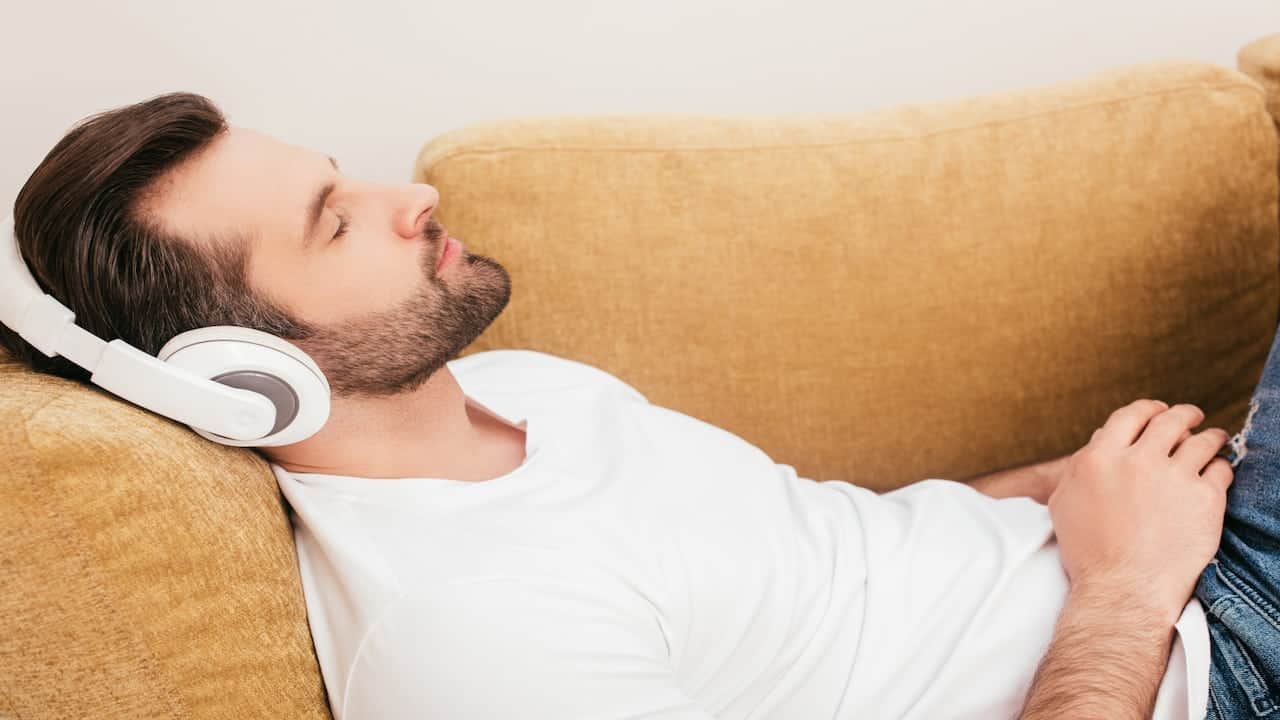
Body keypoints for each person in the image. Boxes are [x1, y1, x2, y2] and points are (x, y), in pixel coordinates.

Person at [0, 91, 1266, 720]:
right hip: (1202, 668)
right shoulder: (467, 641)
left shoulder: (512, 389)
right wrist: (1120, 588)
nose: (408, 199)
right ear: (244, 374)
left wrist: (1059, 492)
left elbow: (804, 561)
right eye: (336, 223)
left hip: (1177, 563)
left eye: (346, 178)